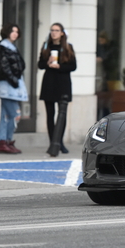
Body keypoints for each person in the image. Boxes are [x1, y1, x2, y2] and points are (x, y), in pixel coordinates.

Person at [38, 22, 77, 154]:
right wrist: (48, 62)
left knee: (62, 114)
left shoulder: (68, 47)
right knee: (50, 114)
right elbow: (40, 65)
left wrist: (60, 66)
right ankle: (52, 143)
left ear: (62, 33)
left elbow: (73, 66)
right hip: (49, 82)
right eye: (52, 30)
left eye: (56, 30)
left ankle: (59, 142)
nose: (54, 32)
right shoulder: (46, 46)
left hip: (63, 83)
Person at [0, 23, 28, 154]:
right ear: (6, 32)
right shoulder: (4, 48)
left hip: (10, 88)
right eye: (12, 31)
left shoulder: (10, 47)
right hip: (8, 88)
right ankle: (5, 141)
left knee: (6, 115)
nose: (15, 34)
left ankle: (5, 142)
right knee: (15, 115)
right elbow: (4, 67)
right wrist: (14, 81)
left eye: (17, 32)